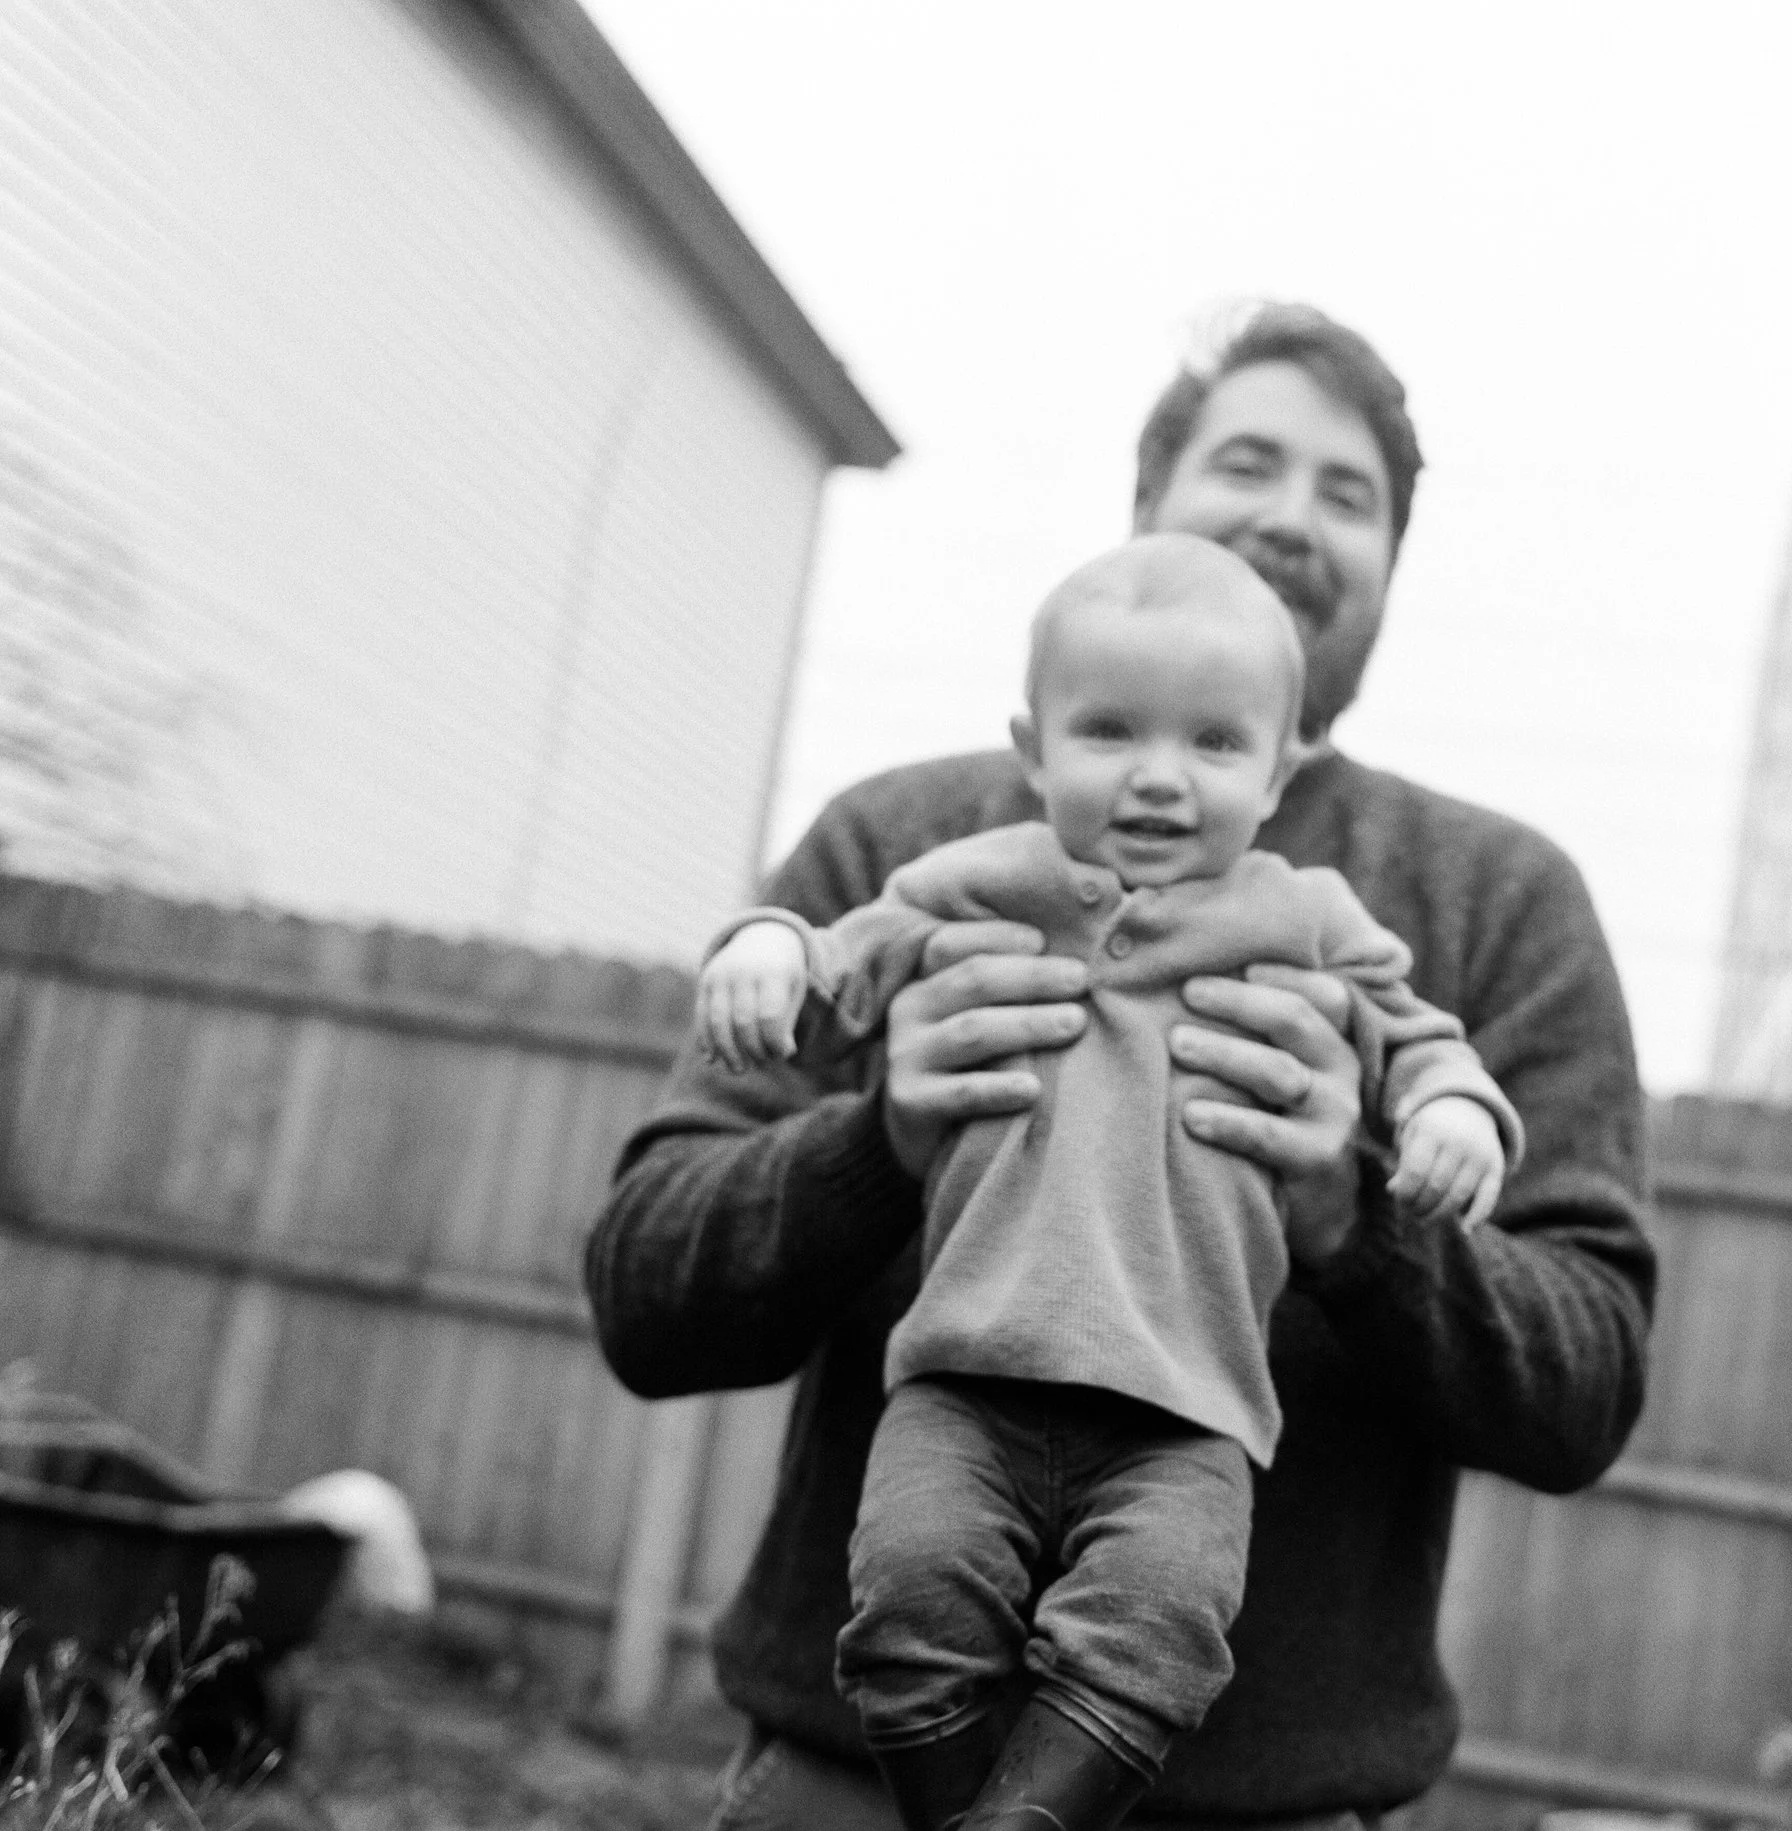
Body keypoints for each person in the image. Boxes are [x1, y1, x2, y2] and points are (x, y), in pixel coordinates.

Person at [584, 303, 1657, 1831]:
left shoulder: (1492, 905)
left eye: (1347, 495)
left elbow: (1589, 1380)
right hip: (848, 1783)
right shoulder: (915, 852)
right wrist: (881, 1141)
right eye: (1249, 462)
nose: (1293, 514)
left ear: (1390, 572)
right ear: (1148, 506)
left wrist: (1360, 1220)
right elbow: (645, 1289)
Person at [692, 532, 1520, 1831]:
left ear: (1281, 763)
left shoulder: (1304, 915)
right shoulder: (981, 881)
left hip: (1186, 1412)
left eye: (1212, 744)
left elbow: (1416, 1032)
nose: (1157, 777)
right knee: (909, 1592)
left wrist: (1453, 1105)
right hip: (967, 1374)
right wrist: (759, 946)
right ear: (1033, 746)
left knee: (1158, 1628)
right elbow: (838, 957)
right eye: (1110, 731)